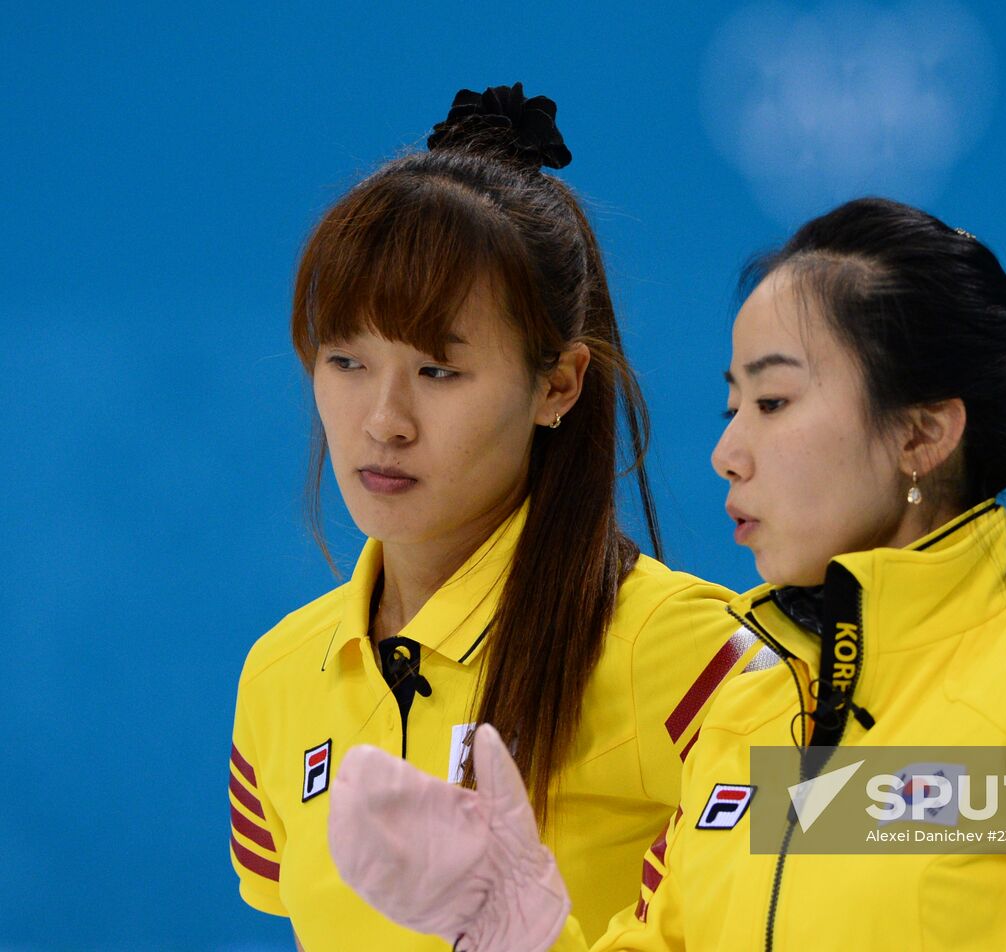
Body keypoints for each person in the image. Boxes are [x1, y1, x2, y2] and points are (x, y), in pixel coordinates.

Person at [326, 197, 1006, 950]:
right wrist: (519, 930)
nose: (726, 452)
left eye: (775, 402)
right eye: (731, 405)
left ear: (922, 433)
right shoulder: (744, 711)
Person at [226, 84, 762, 950]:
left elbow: (922, 846)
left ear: (558, 385)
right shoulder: (279, 678)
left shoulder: (682, 650)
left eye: (440, 371)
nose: (383, 420)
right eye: (347, 360)